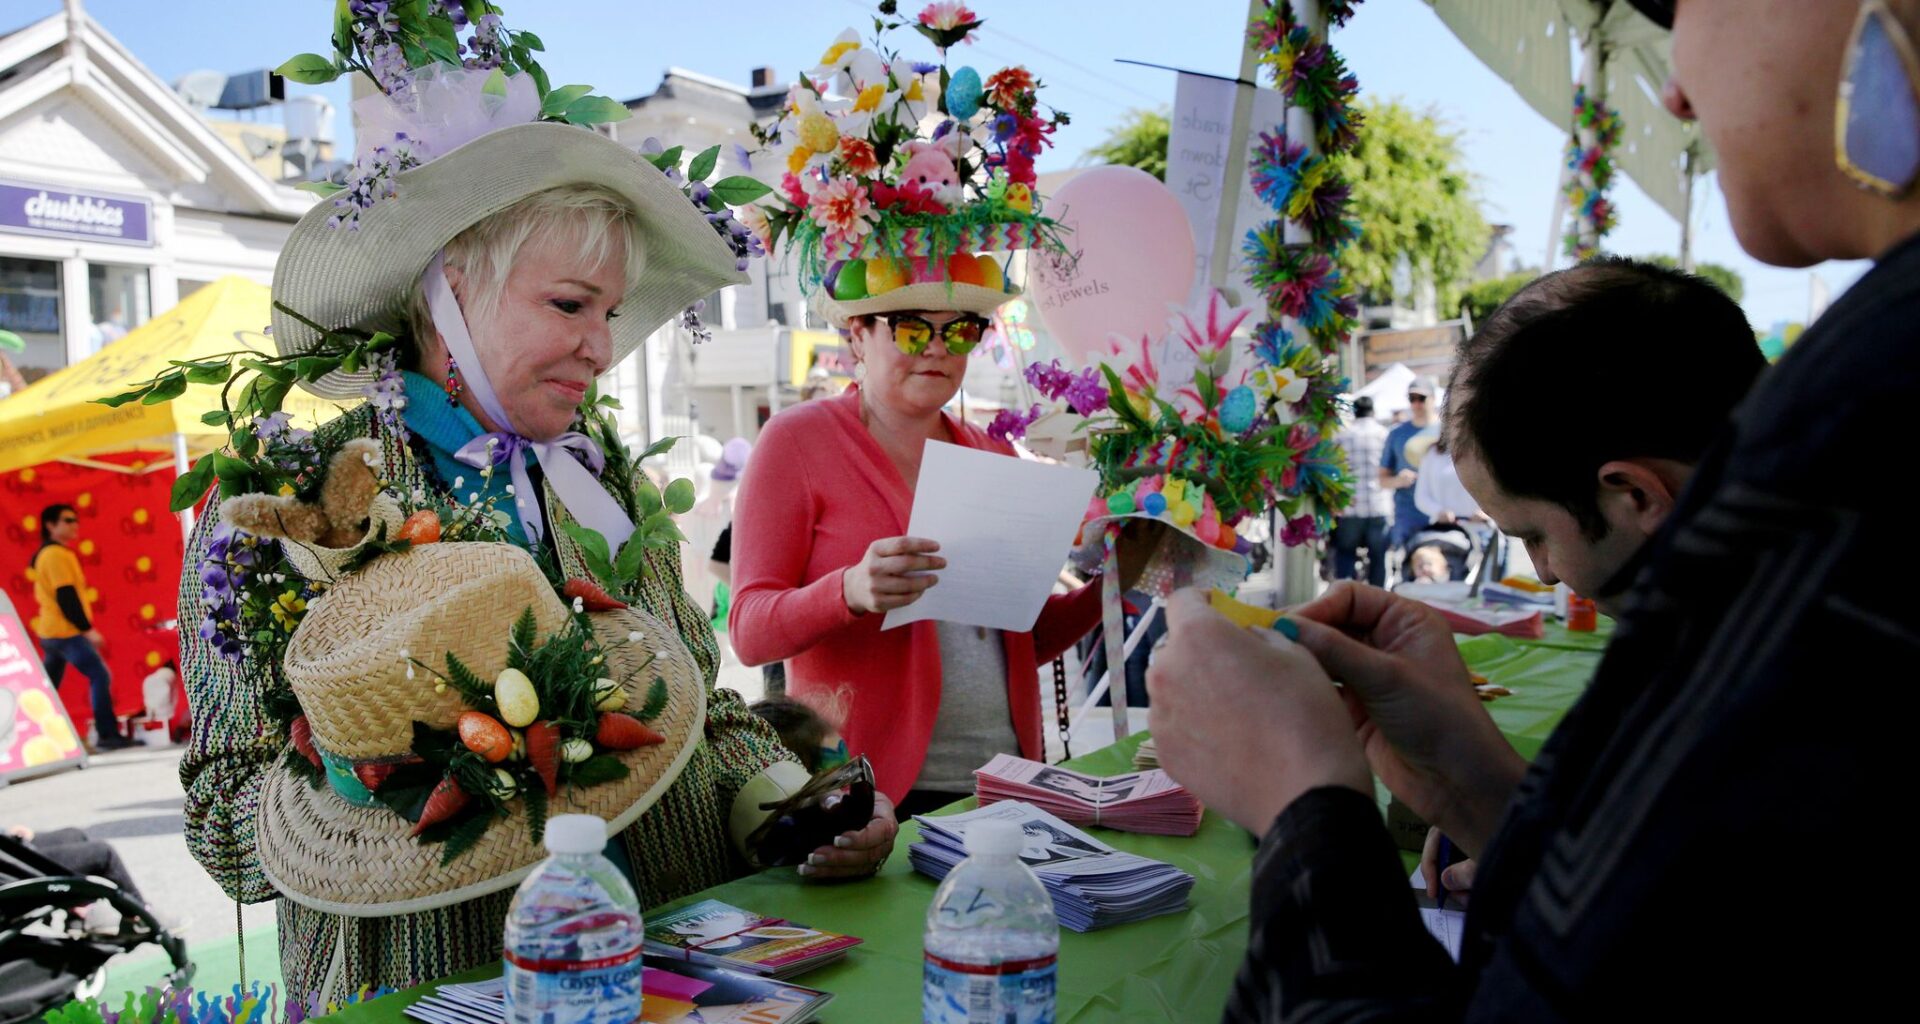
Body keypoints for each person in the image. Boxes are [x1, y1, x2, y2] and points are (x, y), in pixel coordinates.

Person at [1149, 0, 1915, 1015]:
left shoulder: (1869, 443)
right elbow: (1692, 930)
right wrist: (1473, 784)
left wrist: (1303, 804)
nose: (1678, 88)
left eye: (1693, 3)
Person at [175, 12, 894, 999]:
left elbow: (696, 699)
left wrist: (800, 807)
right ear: (449, 291)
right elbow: (223, 814)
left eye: (610, 312)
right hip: (433, 989)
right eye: (570, 304)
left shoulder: (600, 478)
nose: (602, 347)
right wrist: (398, 789)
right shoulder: (284, 500)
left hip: (661, 971)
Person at [28, 504, 127, 750]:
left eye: (76, 520)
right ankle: (107, 735)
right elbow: (66, 596)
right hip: (64, 632)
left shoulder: (52, 553)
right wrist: (87, 629)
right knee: (99, 675)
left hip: (53, 632)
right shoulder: (55, 555)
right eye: (68, 520)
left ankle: (29, 736)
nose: (75, 525)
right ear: (50, 525)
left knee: (47, 687)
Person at [1329, 396, 1392, 586]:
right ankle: (1377, 601)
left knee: (1346, 555)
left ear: (1354, 412)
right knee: (1378, 558)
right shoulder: (1384, 434)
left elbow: (1333, 469)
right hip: (1378, 504)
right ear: (1373, 411)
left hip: (1350, 505)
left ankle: (1343, 598)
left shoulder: (1342, 435)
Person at [1380, 375, 1439, 563]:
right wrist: (1398, 481)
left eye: (1421, 398)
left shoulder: (1449, 431)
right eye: (1411, 399)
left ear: (1433, 399)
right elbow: (1382, 479)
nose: (1416, 404)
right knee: (1408, 572)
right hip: (1408, 515)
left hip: (1444, 514)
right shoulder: (1397, 434)